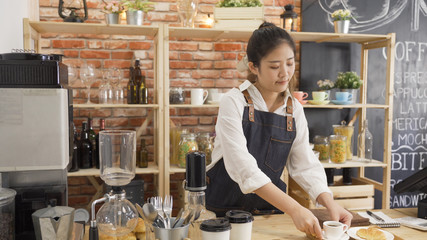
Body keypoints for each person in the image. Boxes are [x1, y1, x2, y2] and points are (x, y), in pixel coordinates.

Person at [205, 22, 353, 239]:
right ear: (254, 67)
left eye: (290, 63)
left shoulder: (294, 110)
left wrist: (329, 203)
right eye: (274, 66)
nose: (285, 73)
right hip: (222, 217)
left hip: (269, 214)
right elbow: (242, 166)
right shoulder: (233, 102)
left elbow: (305, 164)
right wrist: (294, 208)